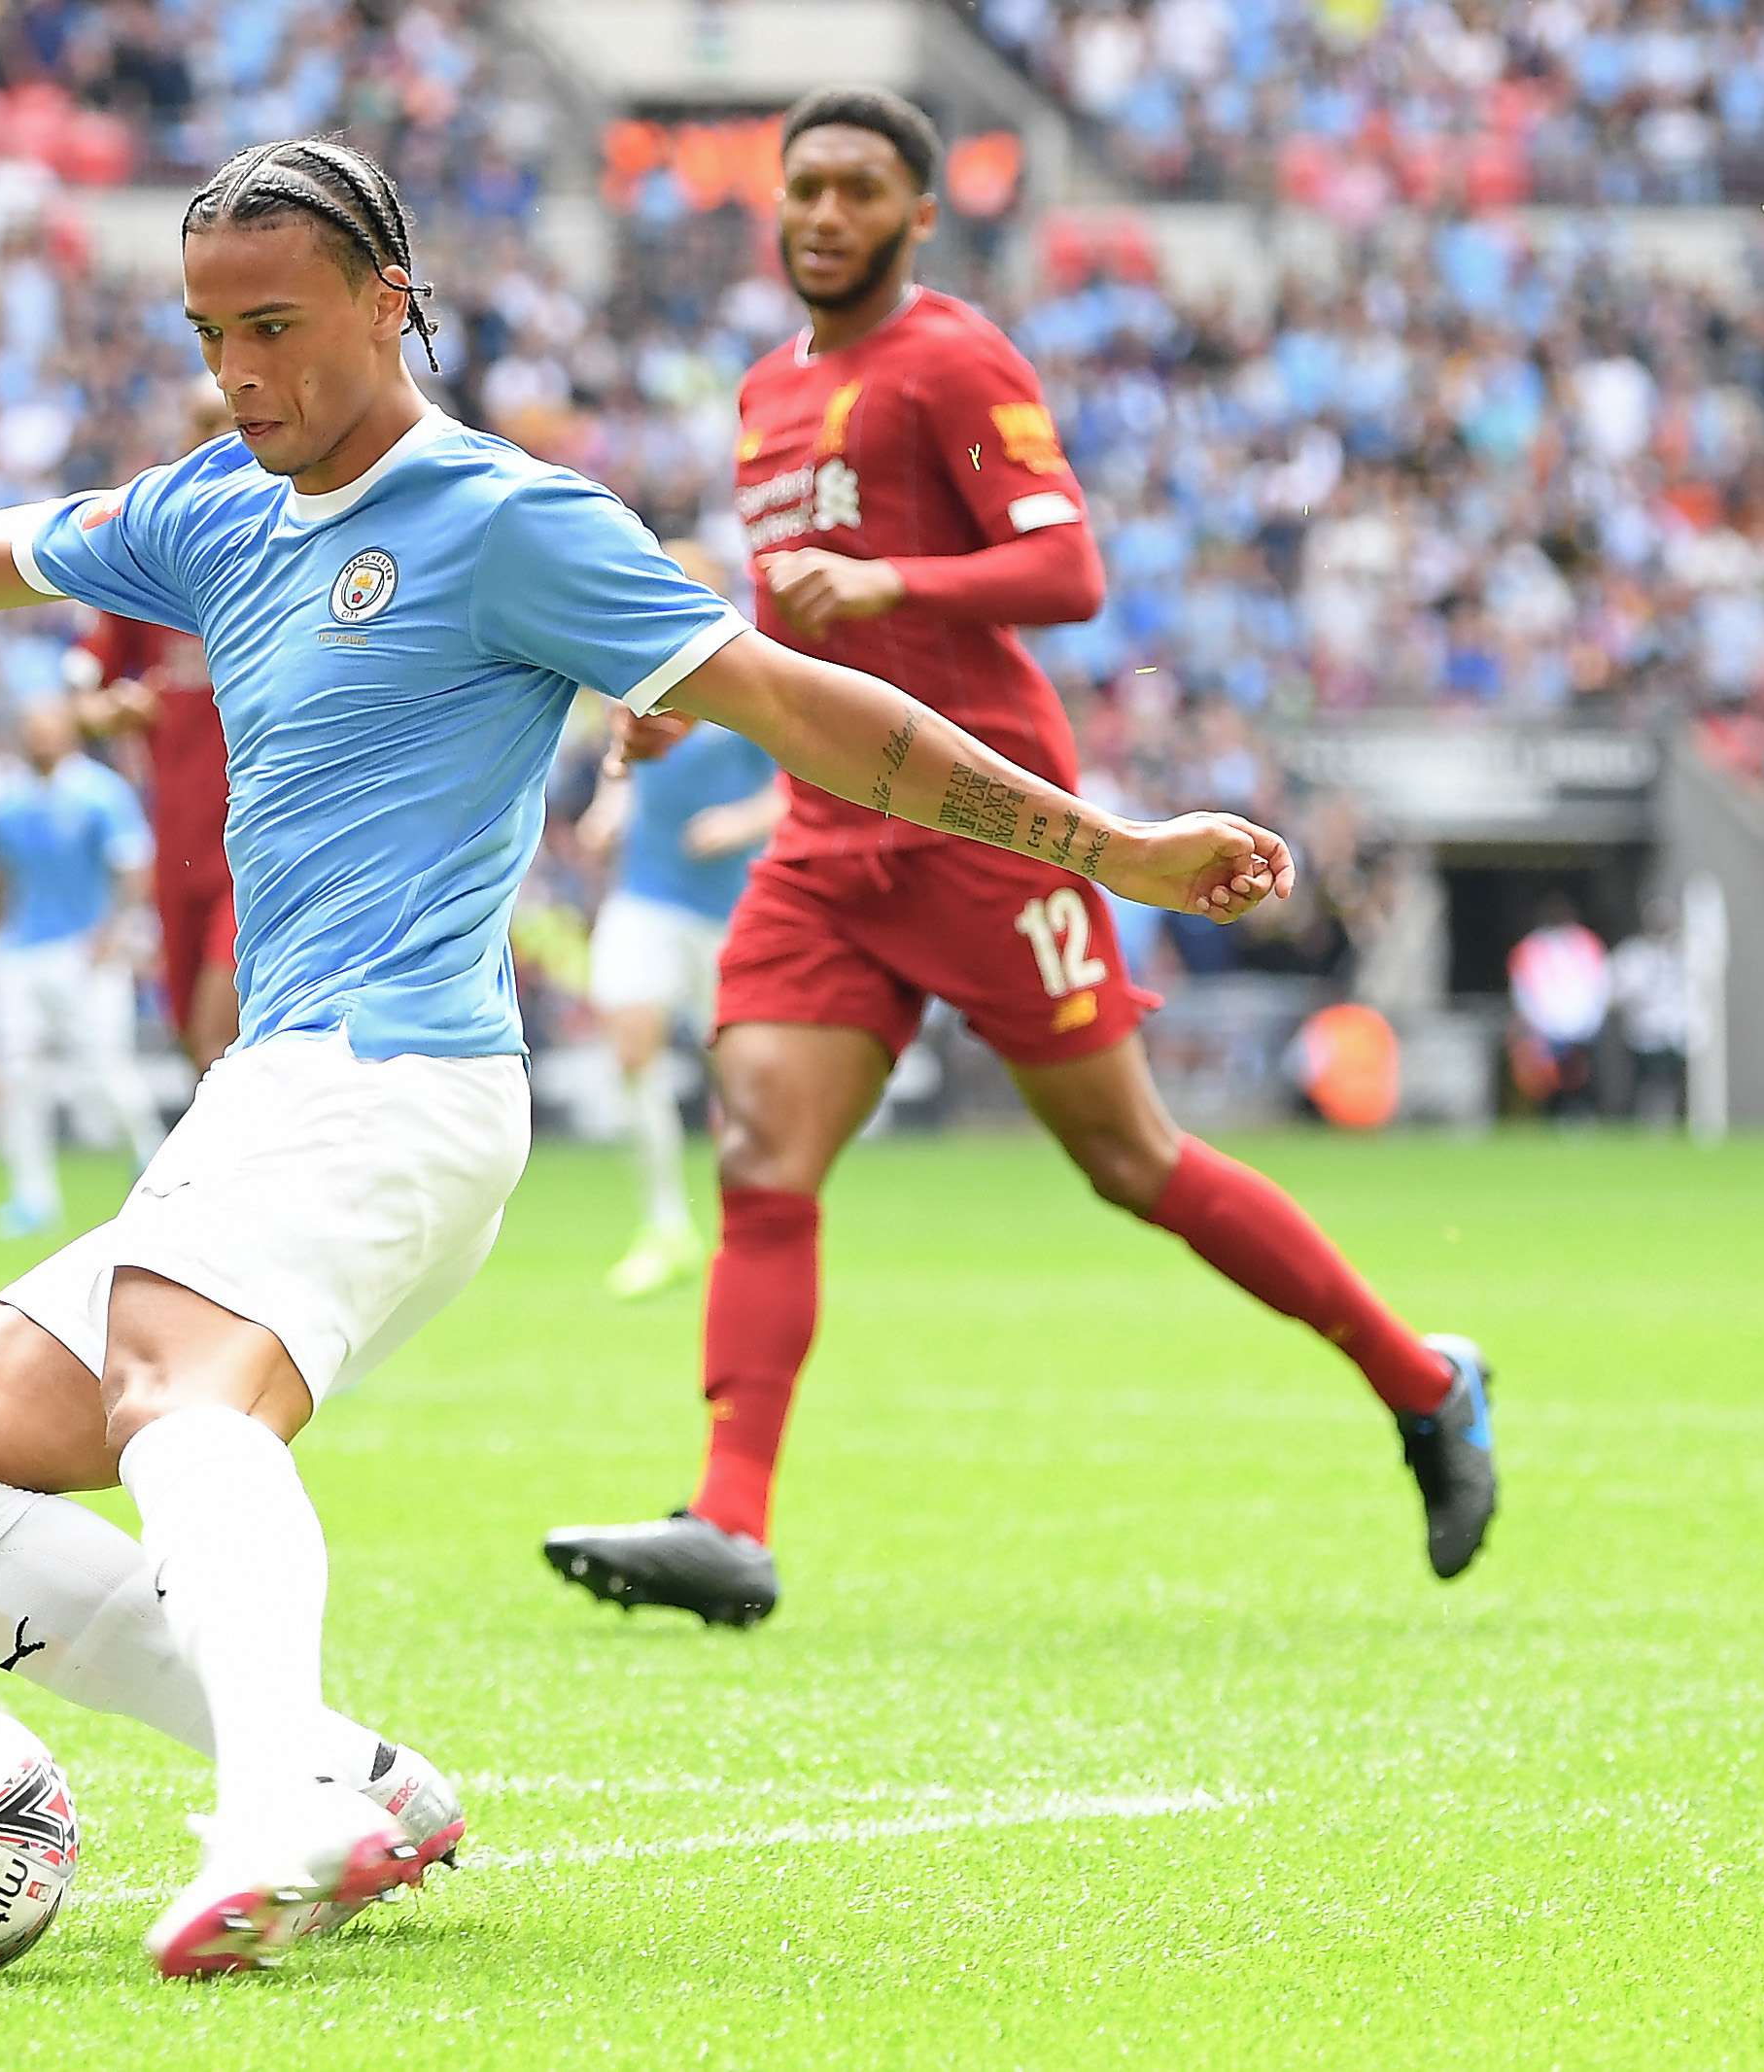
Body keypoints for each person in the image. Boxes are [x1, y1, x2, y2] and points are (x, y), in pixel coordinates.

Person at [0, 132, 1295, 1980]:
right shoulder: (213, 506)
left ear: (389, 303)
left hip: (396, 1079)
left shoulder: (509, 521)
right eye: (207, 334)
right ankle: (353, 1778)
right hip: (279, 1088)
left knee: (175, 1397)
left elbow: (804, 709)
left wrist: (1104, 845)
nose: (237, 373)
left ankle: (274, 1808)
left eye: (275, 327)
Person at [543, 89, 1493, 1630]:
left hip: (994, 829)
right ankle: (729, 1522)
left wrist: (894, 575)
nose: (825, 213)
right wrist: (688, 716)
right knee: (760, 1154)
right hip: (828, 836)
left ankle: (1425, 1385)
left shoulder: (954, 358)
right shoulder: (762, 393)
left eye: (860, 189)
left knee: (1132, 1163)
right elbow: (795, 629)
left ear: (921, 215)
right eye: (805, 188)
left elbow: (1066, 568)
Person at [580, 661, 780, 1298]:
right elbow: (628, 760)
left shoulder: (746, 674)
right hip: (648, 893)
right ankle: (665, 1225)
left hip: (733, 907)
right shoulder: (635, 672)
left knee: (740, 1075)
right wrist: (609, 803)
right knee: (631, 1045)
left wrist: (740, 824)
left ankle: (752, 1231)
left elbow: (797, 785)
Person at [68, 381, 244, 1074]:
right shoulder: (148, 561)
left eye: (229, 425)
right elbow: (84, 688)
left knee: (217, 1037)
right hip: (176, 840)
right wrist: (109, 709)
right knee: (191, 1043)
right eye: (202, 425)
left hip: (258, 841)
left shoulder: (295, 544)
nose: (216, 442)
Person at [0, 701, 166, 1238]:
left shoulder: (100, 793)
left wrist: (114, 935)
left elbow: (133, 866)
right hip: (20, 951)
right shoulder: (6, 799)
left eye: (47, 728)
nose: (38, 739)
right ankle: (31, 1196)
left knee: (108, 1068)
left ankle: (152, 1164)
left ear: (69, 733)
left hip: (85, 950)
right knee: (14, 1071)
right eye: (31, 729)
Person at [1507, 894, 1609, 1120]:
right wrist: (1537, 1023)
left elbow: (1599, 984)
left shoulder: (1586, 943)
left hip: (1581, 1025)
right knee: (1547, 1080)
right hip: (1546, 1026)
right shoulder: (1531, 947)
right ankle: (1551, 1116)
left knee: (1580, 1077)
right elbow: (1524, 990)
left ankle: (1580, 1115)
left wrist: (1590, 1021)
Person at [1606, 897, 1689, 1124]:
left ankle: (1671, 1125)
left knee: (1678, 1085)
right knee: (1649, 1084)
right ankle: (1649, 1126)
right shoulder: (1633, 954)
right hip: (1646, 1033)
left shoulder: (1686, 952)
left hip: (1678, 1032)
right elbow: (1614, 992)